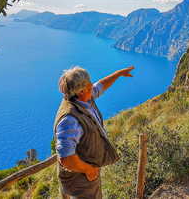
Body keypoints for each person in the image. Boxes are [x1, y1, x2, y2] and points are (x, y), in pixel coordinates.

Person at [54, 65, 134, 198]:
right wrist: (88, 169)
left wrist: (119, 73)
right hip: (81, 178)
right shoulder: (70, 120)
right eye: (89, 83)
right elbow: (66, 158)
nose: (92, 84)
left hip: (87, 172)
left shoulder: (83, 99)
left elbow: (100, 86)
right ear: (81, 91)